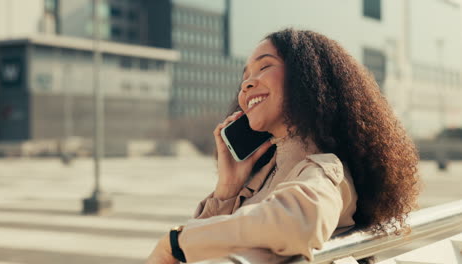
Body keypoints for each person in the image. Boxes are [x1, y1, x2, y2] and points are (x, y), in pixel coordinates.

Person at [146, 28, 420, 264]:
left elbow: (296, 224)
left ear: (308, 79)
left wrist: (175, 241)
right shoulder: (262, 175)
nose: (247, 83)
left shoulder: (324, 169)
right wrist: (227, 192)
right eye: (245, 76)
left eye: (265, 66)